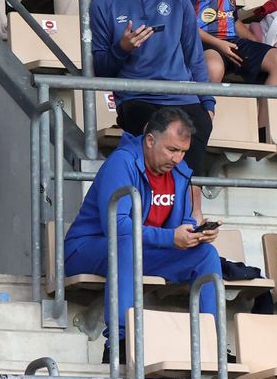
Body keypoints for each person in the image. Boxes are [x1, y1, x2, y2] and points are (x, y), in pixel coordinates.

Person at [63, 108, 221, 324]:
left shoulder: (180, 171)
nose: (177, 158)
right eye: (172, 149)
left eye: (183, 151)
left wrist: (195, 234)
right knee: (126, 244)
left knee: (206, 254)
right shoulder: (122, 162)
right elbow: (116, 226)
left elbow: (183, 221)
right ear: (149, 140)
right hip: (85, 250)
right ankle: (120, 341)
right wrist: (169, 238)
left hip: (141, 250)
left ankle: (212, 339)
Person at [92, 0, 216, 185]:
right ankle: (153, 207)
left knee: (199, 127)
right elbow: (100, 69)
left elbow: (194, 53)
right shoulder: (103, 4)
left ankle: (192, 214)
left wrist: (208, 101)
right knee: (157, 138)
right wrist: (122, 48)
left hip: (181, 94)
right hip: (137, 97)